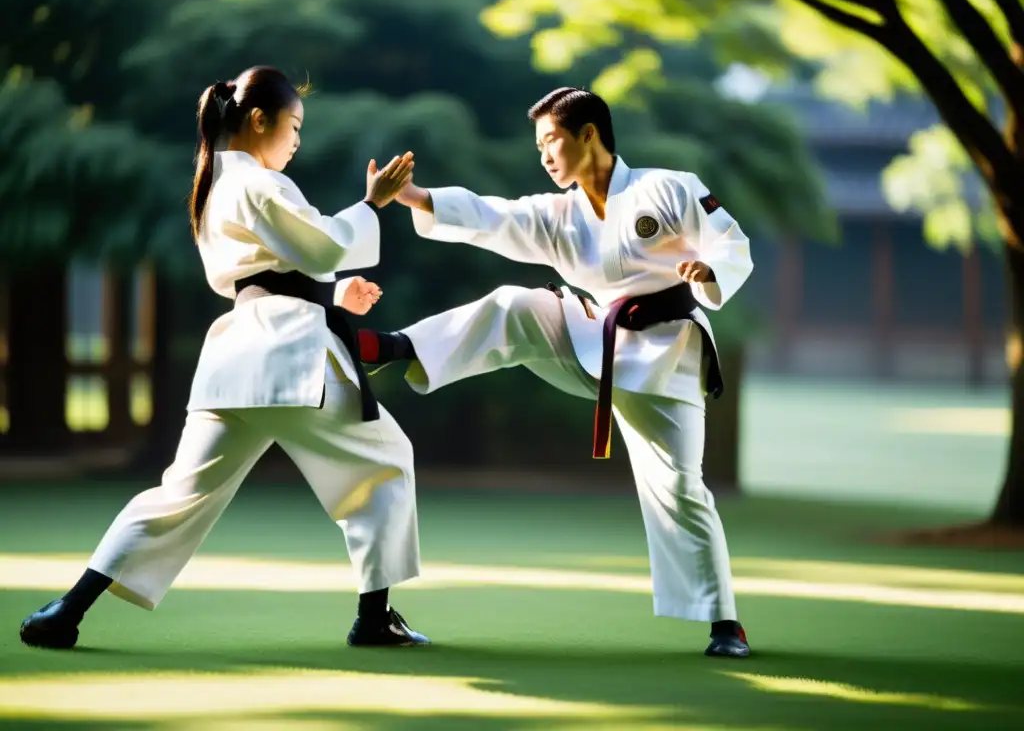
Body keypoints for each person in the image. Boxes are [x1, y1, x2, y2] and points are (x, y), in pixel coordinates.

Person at [19, 66, 429, 650]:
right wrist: (373, 203)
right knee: (386, 462)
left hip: (236, 363)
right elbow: (322, 244)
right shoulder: (259, 183)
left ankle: (67, 609)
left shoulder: (215, 186)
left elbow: (260, 275)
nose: (296, 140)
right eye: (292, 125)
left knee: (177, 494)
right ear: (258, 119)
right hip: (289, 359)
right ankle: (374, 618)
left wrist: (337, 294)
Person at [358, 87, 753, 657]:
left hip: (668, 357)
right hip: (594, 342)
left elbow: (730, 242)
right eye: (539, 144)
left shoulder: (668, 187)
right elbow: (494, 215)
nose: (543, 155)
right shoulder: (558, 212)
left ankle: (724, 624)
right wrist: (416, 197)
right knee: (516, 305)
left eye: (551, 141)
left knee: (680, 488)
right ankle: (401, 347)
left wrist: (705, 266)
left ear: (588, 133)